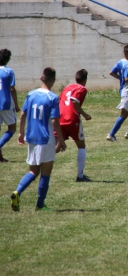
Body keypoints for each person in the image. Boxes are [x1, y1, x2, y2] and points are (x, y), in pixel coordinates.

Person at [11, 67, 66, 212]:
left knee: (33, 172)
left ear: (42, 78)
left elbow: (23, 115)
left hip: (32, 137)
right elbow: (54, 121)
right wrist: (61, 140)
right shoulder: (52, 98)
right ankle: (40, 205)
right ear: (53, 80)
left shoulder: (31, 94)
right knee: (45, 173)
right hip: (45, 138)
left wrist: (21, 133)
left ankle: (17, 192)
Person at [58, 69, 92, 182]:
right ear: (85, 80)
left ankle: (40, 163)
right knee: (81, 145)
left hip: (60, 118)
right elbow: (75, 101)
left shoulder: (67, 87)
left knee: (57, 146)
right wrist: (85, 114)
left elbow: (60, 100)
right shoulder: (82, 88)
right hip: (72, 119)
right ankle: (80, 176)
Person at [0, 49, 21, 162]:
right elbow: (12, 89)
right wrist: (16, 105)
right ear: (8, 59)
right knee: (12, 128)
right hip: (5, 104)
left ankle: (0, 157)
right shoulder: (9, 71)